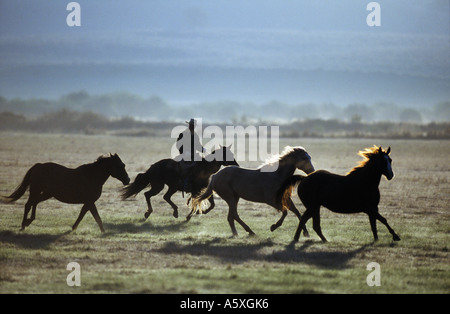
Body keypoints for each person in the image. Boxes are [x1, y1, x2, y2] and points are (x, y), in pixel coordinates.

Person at [176, 119, 205, 191]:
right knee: (187, 169)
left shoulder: (195, 135)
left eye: (193, 125)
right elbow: (178, 145)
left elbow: (197, 145)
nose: (192, 126)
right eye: (191, 125)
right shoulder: (183, 134)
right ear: (189, 125)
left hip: (194, 156)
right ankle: (186, 184)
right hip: (184, 155)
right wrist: (183, 152)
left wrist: (202, 149)